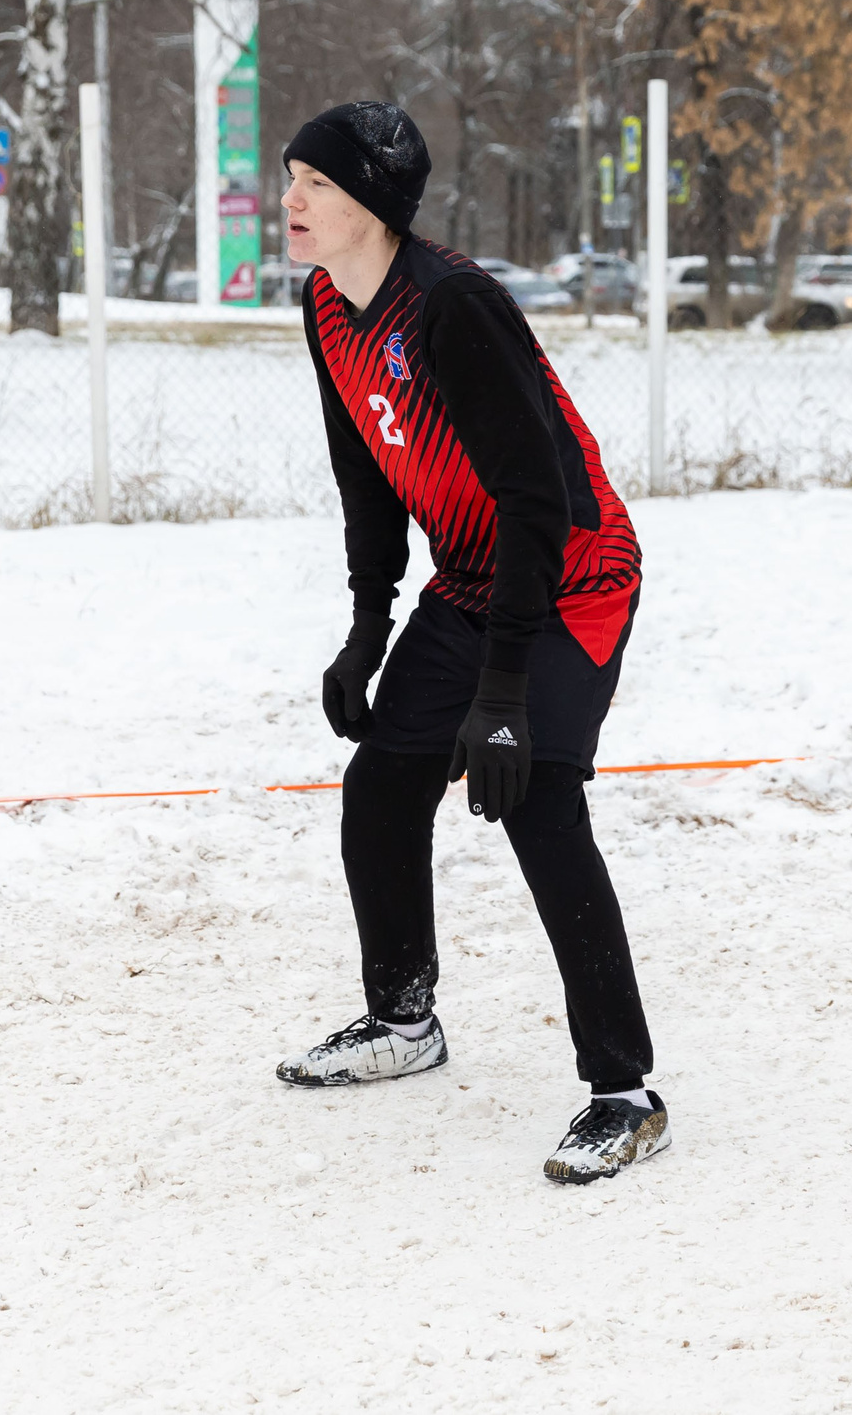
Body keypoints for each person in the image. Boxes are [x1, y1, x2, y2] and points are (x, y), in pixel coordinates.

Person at [271, 100, 664, 1185]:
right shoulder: (326, 303)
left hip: (572, 575)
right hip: (473, 579)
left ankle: (625, 1093)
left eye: (316, 182)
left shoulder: (453, 307)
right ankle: (404, 1020)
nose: (291, 198)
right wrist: (368, 626)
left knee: (537, 800)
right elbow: (364, 477)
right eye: (293, 175)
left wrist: (500, 695)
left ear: (372, 204)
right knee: (382, 784)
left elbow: (539, 501)